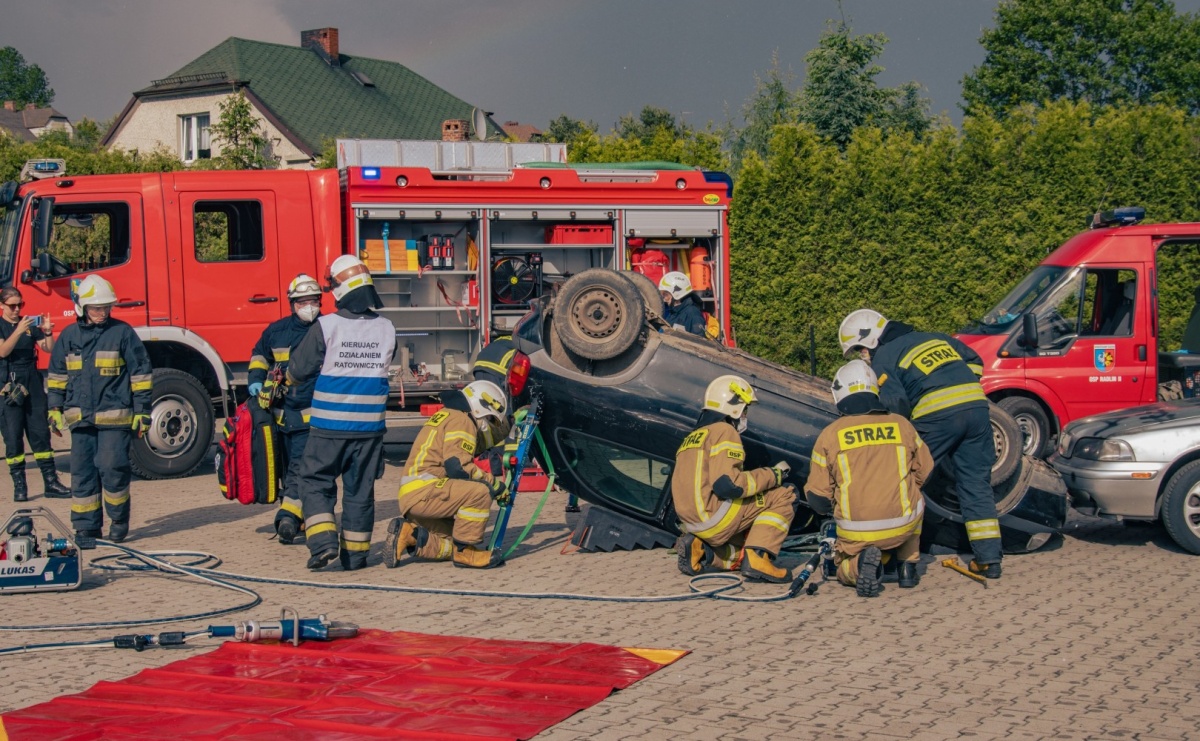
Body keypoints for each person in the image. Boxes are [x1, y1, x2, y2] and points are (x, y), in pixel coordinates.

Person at [838, 308, 1003, 579]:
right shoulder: (934, 338)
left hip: (937, 419)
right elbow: (973, 359)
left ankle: (896, 556)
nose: (861, 356)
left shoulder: (886, 357)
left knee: (904, 480)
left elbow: (895, 404)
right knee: (975, 482)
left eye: (859, 349)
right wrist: (960, 387)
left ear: (868, 339)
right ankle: (989, 559)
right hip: (976, 411)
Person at [286, 255, 396, 571]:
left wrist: (286, 381)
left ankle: (322, 544)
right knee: (360, 492)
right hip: (370, 431)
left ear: (338, 289)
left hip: (329, 429)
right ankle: (356, 556)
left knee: (314, 481)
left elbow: (299, 368)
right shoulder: (387, 328)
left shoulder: (326, 326)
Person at [804, 360, 935, 597]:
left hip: (855, 531)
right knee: (915, 497)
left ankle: (858, 564)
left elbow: (817, 496)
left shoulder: (830, 435)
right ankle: (908, 567)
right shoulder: (902, 425)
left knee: (841, 566)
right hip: (902, 526)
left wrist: (838, 505)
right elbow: (926, 470)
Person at [47, 275, 153, 542]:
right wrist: (54, 408)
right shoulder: (69, 336)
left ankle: (118, 520)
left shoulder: (122, 333)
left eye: (106, 307)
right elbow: (57, 374)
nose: (102, 312)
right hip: (80, 417)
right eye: (97, 308)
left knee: (112, 467)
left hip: (114, 417)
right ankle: (86, 526)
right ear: (82, 307)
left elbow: (141, 373)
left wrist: (142, 411)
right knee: (82, 473)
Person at [671, 374, 796, 583]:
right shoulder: (724, 431)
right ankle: (759, 557)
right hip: (715, 516)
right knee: (785, 494)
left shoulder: (693, 436)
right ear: (734, 406)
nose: (745, 415)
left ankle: (702, 551)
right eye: (745, 409)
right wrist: (773, 475)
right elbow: (728, 485)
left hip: (693, 523)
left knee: (741, 549)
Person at [384, 379, 511, 569]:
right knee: (480, 492)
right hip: (426, 492)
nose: (487, 425)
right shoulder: (462, 420)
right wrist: (495, 485)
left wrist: (513, 420)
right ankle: (465, 553)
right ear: (480, 407)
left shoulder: (449, 415)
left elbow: (479, 443)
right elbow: (458, 466)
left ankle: (409, 534)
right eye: (489, 419)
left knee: (454, 539)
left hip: (416, 497)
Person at [247, 274, 323, 545]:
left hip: (311, 419)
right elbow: (259, 355)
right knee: (283, 469)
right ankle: (295, 514)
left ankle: (288, 519)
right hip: (279, 417)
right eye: (303, 301)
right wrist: (255, 381)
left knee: (299, 469)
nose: (309, 306)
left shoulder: (327, 329)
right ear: (292, 303)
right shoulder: (276, 331)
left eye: (313, 300)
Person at [0, 287, 71, 501]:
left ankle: (51, 482)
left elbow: (48, 348)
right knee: (13, 437)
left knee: (40, 433)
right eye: (12, 306)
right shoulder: (5, 326)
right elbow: (3, 351)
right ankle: (19, 486)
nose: (16, 309)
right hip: (9, 383)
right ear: (2, 305)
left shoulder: (29, 325)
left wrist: (48, 332)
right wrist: (18, 330)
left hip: (32, 379)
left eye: (20, 305)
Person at [658, 271, 708, 337]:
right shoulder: (673, 312)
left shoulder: (693, 314)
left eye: (666, 295)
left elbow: (699, 342)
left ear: (676, 294)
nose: (664, 299)